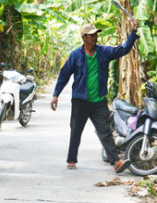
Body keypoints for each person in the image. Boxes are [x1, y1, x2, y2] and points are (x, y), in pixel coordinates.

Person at [51, 18, 139, 173]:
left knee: (105, 131)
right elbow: (64, 74)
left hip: (98, 101)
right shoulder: (76, 55)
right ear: (84, 37)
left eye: (96, 34)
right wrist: (56, 94)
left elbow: (123, 49)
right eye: (92, 35)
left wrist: (133, 32)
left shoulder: (103, 52)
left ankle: (116, 162)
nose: (95, 37)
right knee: (76, 130)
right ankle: (71, 159)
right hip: (80, 100)